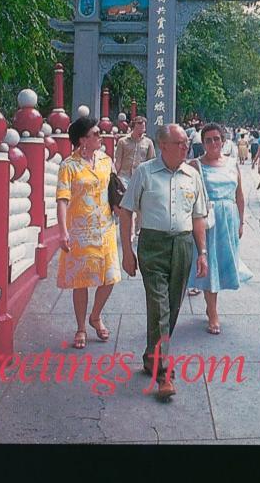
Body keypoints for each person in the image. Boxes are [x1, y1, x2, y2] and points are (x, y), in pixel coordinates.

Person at [116, 124, 209, 401]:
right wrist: (128, 251)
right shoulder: (144, 172)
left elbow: (198, 216)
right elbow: (126, 211)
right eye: (180, 143)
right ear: (163, 145)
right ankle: (164, 373)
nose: (186, 148)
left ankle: (151, 355)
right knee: (159, 306)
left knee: (172, 305)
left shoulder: (192, 175)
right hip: (152, 245)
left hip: (182, 244)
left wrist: (201, 252)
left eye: (186, 144)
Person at [56, 115, 121, 349]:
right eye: (95, 134)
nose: (100, 136)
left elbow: (113, 189)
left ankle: (96, 315)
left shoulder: (105, 160)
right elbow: (62, 200)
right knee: (81, 282)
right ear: (83, 140)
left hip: (105, 228)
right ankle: (81, 327)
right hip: (80, 231)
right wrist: (63, 231)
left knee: (110, 277)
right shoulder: (69, 166)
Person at [183, 123, 252, 333]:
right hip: (208, 219)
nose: (213, 143)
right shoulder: (196, 165)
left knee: (222, 264)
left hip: (228, 219)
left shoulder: (232, 164)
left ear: (223, 140)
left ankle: (212, 307)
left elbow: (239, 195)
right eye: (208, 140)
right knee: (209, 264)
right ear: (202, 143)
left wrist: (241, 221)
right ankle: (212, 312)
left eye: (216, 139)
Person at [113, 116, 156, 239]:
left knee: (141, 205)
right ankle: (129, 232)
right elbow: (118, 160)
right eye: (140, 124)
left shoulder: (148, 143)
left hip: (141, 176)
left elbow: (151, 161)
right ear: (134, 126)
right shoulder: (123, 141)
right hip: (125, 176)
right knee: (127, 205)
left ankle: (139, 229)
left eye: (144, 125)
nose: (142, 127)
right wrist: (115, 176)